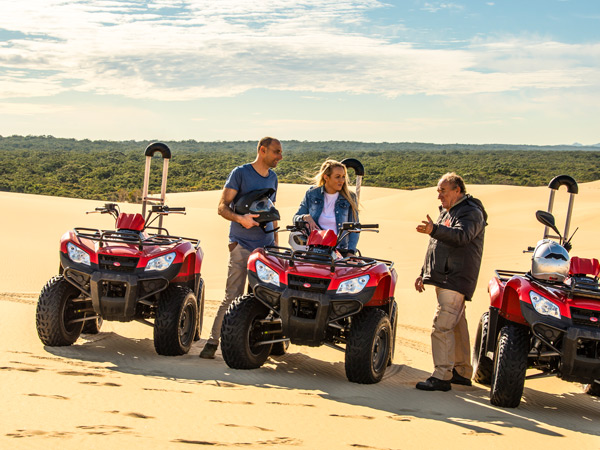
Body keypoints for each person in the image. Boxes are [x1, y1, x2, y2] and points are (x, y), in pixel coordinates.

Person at [199, 137, 283, 359]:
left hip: (265, 249)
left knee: (265, 297)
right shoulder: (240, 173)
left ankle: (259, 345)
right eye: (276, 152)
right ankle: (212, 342)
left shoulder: (273, 178)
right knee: (233, 295)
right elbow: (221, 207)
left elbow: (271, 210)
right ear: (262, 150)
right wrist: (241, 219)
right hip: (241, 244)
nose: (280, 157)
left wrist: (275, 244)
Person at [414, 172, 487, 391]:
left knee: (442, 326)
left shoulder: (471, 213)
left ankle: (442, 375)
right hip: (446, 277)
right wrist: (423, 272)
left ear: (458, 190)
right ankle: (462, 371)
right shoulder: (448, 212)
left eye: (443, 191)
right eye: (438, 192)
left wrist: (434, 229)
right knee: (456, 326)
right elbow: (436, 246)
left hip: (455, 278)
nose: (439, 197)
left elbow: (461, 236)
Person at [293, 159, 359, 254]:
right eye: (337, 177)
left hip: (339, 251)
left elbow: (355, 228)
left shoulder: (350, 197)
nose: (342, 181)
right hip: (313, 250)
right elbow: (295, 218)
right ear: (326, 177)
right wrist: (304, 217)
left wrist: (351, 252)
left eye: (343, 177)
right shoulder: (312, 193)